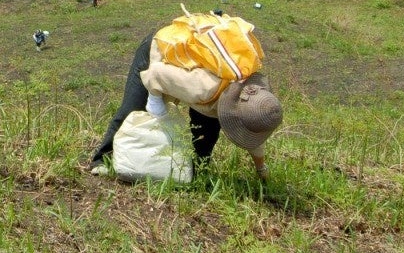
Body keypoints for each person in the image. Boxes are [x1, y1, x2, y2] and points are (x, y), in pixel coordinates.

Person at [90, 10, 283, 180]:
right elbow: (157, 74)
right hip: (165, 50)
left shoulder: (256, 100)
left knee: (207, 131)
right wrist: (156, 105)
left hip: (205, 69)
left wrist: (261, 169)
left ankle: (195, 173)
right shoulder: (203, 88)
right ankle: (102, 159)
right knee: (134, 108)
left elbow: (254, 128)